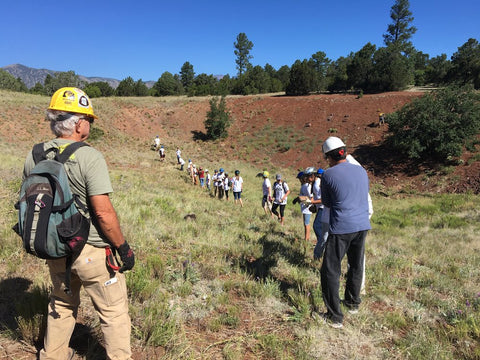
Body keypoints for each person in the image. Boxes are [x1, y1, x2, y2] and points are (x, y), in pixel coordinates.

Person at [22, 87, 134, 359]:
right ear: (80, 123)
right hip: (91, 250)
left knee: (61, 303)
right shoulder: (89, 156)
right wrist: (123, 247)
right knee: (113, 312)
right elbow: (104, 213)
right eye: (89, 120)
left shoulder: (35, 155)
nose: (90, 125)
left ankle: (53, 355)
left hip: (54, 248)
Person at [319, 136, 371, 328]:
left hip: (341, 226)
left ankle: (334, 317)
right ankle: (352, 302)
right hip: (362, 224)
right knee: (356, 265)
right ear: (344, 151)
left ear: (328, 157)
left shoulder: (328, 175)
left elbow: (327, 203)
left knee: (330, 270)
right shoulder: (361, 171)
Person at [312, 168, 328, 259]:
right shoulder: (317, 183)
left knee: (317, 226)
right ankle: (321, 244)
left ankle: (321, 244)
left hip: (323, 208)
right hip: (320, 207)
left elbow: (322, 198)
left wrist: (313, 202)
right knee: (320, 228)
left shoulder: (319, 183)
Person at [299, 167, 316, 243]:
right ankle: (306, 238)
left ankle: (307, 239)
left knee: (306, 224)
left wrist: (301, 199)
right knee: (305, 223)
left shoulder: (306, 186)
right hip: (305, 207)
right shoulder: (304, 186)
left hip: (307, 208)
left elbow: (311, 198)